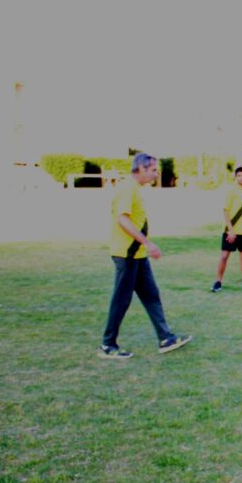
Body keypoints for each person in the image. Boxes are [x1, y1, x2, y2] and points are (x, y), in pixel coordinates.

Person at [99, 153, 192, 358]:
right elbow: (122, 219)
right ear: (141, 169)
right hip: (128, 254)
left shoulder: (134, 189)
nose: (155, 174)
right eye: (153, 170)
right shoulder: (127, 188)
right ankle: (107, 345)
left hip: (138, 255)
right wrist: (147, 243)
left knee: (151, 295)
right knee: (121, 300)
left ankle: (165, 338)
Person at [211, 166, 242, 293]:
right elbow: (225, 210)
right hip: (230, 230)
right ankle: (217, 282)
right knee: (224, 256)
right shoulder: (231, 190)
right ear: (235, 177)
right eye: (239, 175)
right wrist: (230, 230)